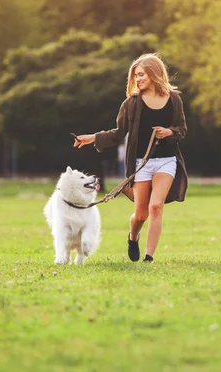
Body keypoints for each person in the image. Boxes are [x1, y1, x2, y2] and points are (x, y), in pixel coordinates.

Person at [73, 53, 188, 263]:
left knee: (156, 207)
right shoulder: (132, 103)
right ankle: (133, 236)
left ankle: (149, 257)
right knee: (141, 214)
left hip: (166, 161)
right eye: (135, 76)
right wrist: (93, 138)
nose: (138, 79)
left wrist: (169, 132)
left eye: (142, 74)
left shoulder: (174, 99)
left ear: (154, 74)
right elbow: (118, 132)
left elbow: (182, 128)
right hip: (140, 165)